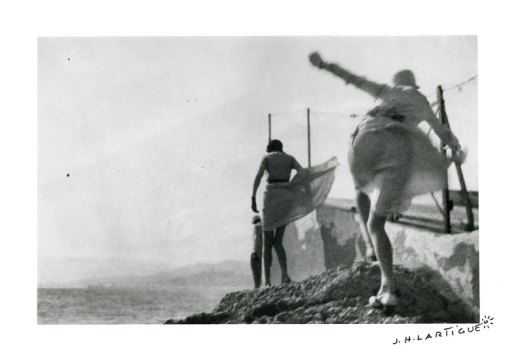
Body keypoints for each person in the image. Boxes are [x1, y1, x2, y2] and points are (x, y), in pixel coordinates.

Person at [309, 52, 464, 308]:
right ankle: (387, 287)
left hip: (372, 138)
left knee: (361, 190)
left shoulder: (389, 91)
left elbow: (355, 79)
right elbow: (442, 132)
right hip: (403, 151)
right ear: (413, 85)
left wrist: (325, 65)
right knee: (377, 221)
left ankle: (373, 254)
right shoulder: (423, 101)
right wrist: (455, 146)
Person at [252, 139, 338, 286]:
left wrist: (253, 197)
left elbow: (259, 177)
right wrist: (292, 185)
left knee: (268, 241)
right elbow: (304, 173)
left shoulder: (266, 158)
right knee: (278, 241)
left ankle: (267, 281)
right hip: (286, 196)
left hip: (271, 197)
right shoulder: (289, 158)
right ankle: (285, 275)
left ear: (271, 148)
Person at [250, 215, 263, 289]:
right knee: (259, 274)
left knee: (256, 275)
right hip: (259, 254)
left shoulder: (257, 227)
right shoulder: (262, 227)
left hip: (255, 253)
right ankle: (257, 288)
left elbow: (256, 241)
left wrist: (255, 252)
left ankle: (256, 288)